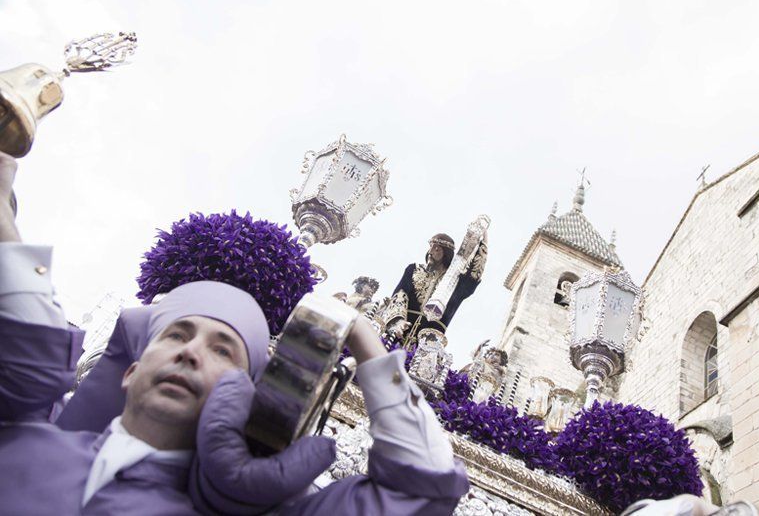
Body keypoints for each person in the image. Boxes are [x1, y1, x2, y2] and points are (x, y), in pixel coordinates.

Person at [0, 152, 468, 514]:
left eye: (223, 350)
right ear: (131, 370)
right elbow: (25, 357)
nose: (190, 353)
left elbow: (421, 485)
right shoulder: (20, 436)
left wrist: (363, 337)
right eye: (176, 335)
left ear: (247, 395)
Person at [389, 232, 486, 349]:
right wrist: (398, 321)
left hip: (428, 345)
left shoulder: (455, 283)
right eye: (431, 247)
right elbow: (400, 293)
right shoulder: (413, 269)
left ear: (446, 254)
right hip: (400, 333)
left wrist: (483, 243)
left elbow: (473, 277)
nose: (430, 252)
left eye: (437, 249)